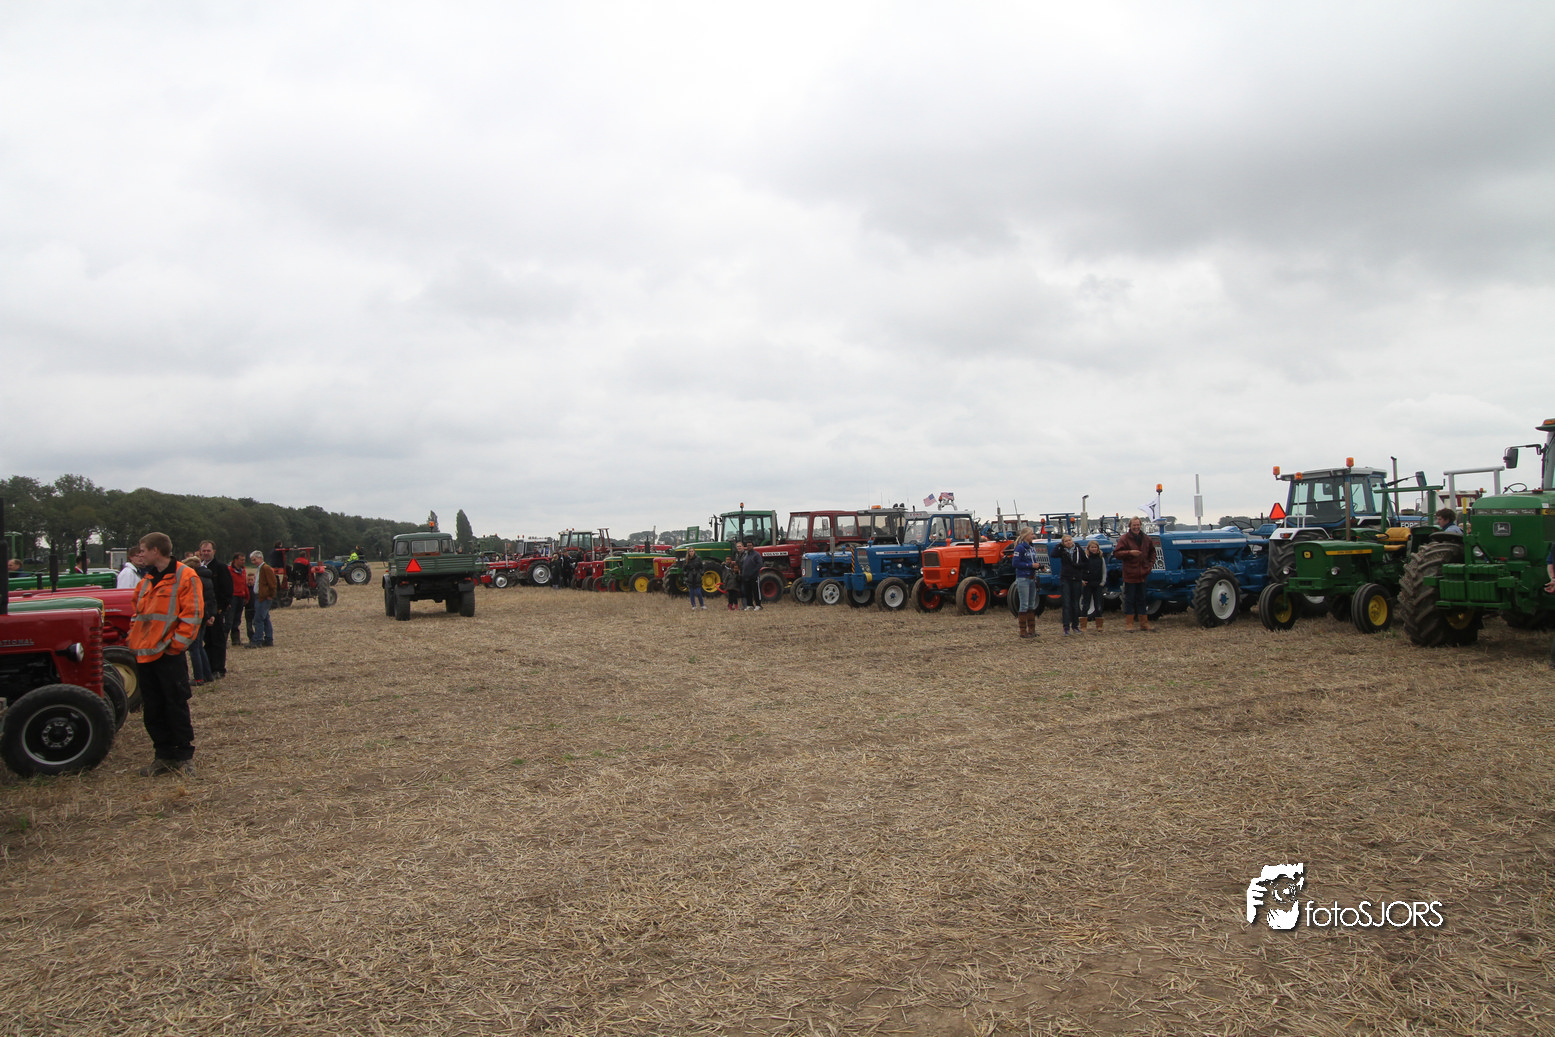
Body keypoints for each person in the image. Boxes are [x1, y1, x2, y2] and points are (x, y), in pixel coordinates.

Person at [128, 532, 202, 777]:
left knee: (175, 704)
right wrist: (133, 638)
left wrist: (175, 646)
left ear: (156, 551)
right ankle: (163, 755)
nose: (140, 555)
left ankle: (183, 755)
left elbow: (193, 614)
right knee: (153, 708)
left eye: (143, 550)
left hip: (168, 655)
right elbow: (137, 613)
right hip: (145, 655)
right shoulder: (146, 580)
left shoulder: (185, 576)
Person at [1114, 517, 1158, 633]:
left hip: (1143, 573)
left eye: (1138, 525)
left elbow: (1153, 552)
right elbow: (1117, 553)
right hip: (1130, 574)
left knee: (1142, 599)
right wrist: (1130, 552)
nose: (1136, 527)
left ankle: (1144, 624)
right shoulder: (1124, 539)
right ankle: (1129, 624)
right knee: (1129, 599)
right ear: (1130, 526)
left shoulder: (1146, 539)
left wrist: (1149, 565)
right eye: (1134, 525)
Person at [199, 540, 232, 678]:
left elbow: (227, 589)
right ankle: (208, 668)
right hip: (203, 611)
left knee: (217, 640)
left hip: (216, 611)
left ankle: (218, 668)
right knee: (206, 641)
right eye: (204, 551)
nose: (206, 553)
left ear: (214, 552)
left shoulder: (220, 567)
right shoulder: (199, 567)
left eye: (208, 550)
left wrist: (220, 608)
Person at [1050, 533, 1086, 635]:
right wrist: (1059, 545)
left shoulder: (1078, 550)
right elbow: (1053, 554)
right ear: (1063, 543)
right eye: (1066, 541)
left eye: (1069, 540)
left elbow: (1085, 562)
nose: (1068, 542)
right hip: (1065, 579)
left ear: (1072, 540)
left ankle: (1075, 626)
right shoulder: (1062, 551)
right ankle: (1066, 627)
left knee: (1075, 603)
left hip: (1076, 578)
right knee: (1066, 603)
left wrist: (1079, 567)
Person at [1011, 527, 1040, 640]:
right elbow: (1015, 563)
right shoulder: (1020, 548)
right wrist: (1030, 565)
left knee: (1031, 604)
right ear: (1026, 536)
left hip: (1032, 577)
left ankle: (1032, 629)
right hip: (1023, 577)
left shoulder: (1031, 547)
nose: (1033, 536)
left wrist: (1038, 567)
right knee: (1024, 604)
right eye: (1031, 534)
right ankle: (1023, 631)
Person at [247, 549, 276, 648]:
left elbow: (273, 583)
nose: (253, 562)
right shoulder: (261, 568)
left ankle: (257, 641)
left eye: (254, 559)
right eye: (252, 560)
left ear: (260, 558)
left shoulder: (266, 568)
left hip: (263, 598)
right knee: (265, 619)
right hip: (260, 597)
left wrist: (270, 595)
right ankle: (268, 639)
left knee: (258, 619)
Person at [1079, 539, 1107, 632]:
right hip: (1087, 584)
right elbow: (1080, 569)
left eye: (1095, 547)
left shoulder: (1101, 558)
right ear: (1088, 548)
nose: (1094, 549)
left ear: (1098, 548)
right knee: (1086, 605)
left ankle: (1099, 626)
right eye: (1092, 547)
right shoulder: (1085, 558)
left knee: (1098, 605)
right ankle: (1083, 626)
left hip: (1098, 584)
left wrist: (1103, 582)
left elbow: (1104, 571)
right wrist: (1082, 580)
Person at [229, 552, 252, 645]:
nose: (243, 562)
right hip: (233, 597)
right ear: (235, 560)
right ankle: (223, 639)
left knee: (237, 619)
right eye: (241, 560)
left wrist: (247, 596)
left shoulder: (243, 571)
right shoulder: (229, 570)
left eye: (244, 560)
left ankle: (236, 640)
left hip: (241, 597)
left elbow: (244, 585)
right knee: (229, 619)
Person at [740, 540, 762, 610]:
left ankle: (758, 605)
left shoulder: (756, 555)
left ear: (753, 546)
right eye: (747, 545)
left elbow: (759, 564)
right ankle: (750, 605)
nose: (748, 547)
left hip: (754, 576)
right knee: (748, 591)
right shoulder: (746, 555)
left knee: (756, 591)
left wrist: (753, 572)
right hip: (746, 577)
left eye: (750, 545)